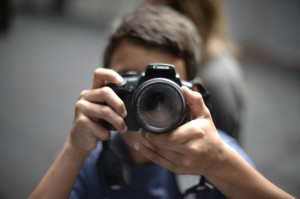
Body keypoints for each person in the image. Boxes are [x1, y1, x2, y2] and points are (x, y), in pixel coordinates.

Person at [29, 5, 294, 199]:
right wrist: (74, 149)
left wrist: (218, 165)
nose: (149, 97)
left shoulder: (217, 157)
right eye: (131, 79)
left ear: (192, 92)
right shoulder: (91, 157)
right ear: (106, 83)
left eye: (164, 89)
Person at [146, 0, 246, 142]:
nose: (148, 18)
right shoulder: (207, 58)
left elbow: (223, 148)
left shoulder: (216, 79)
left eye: (157, 11)